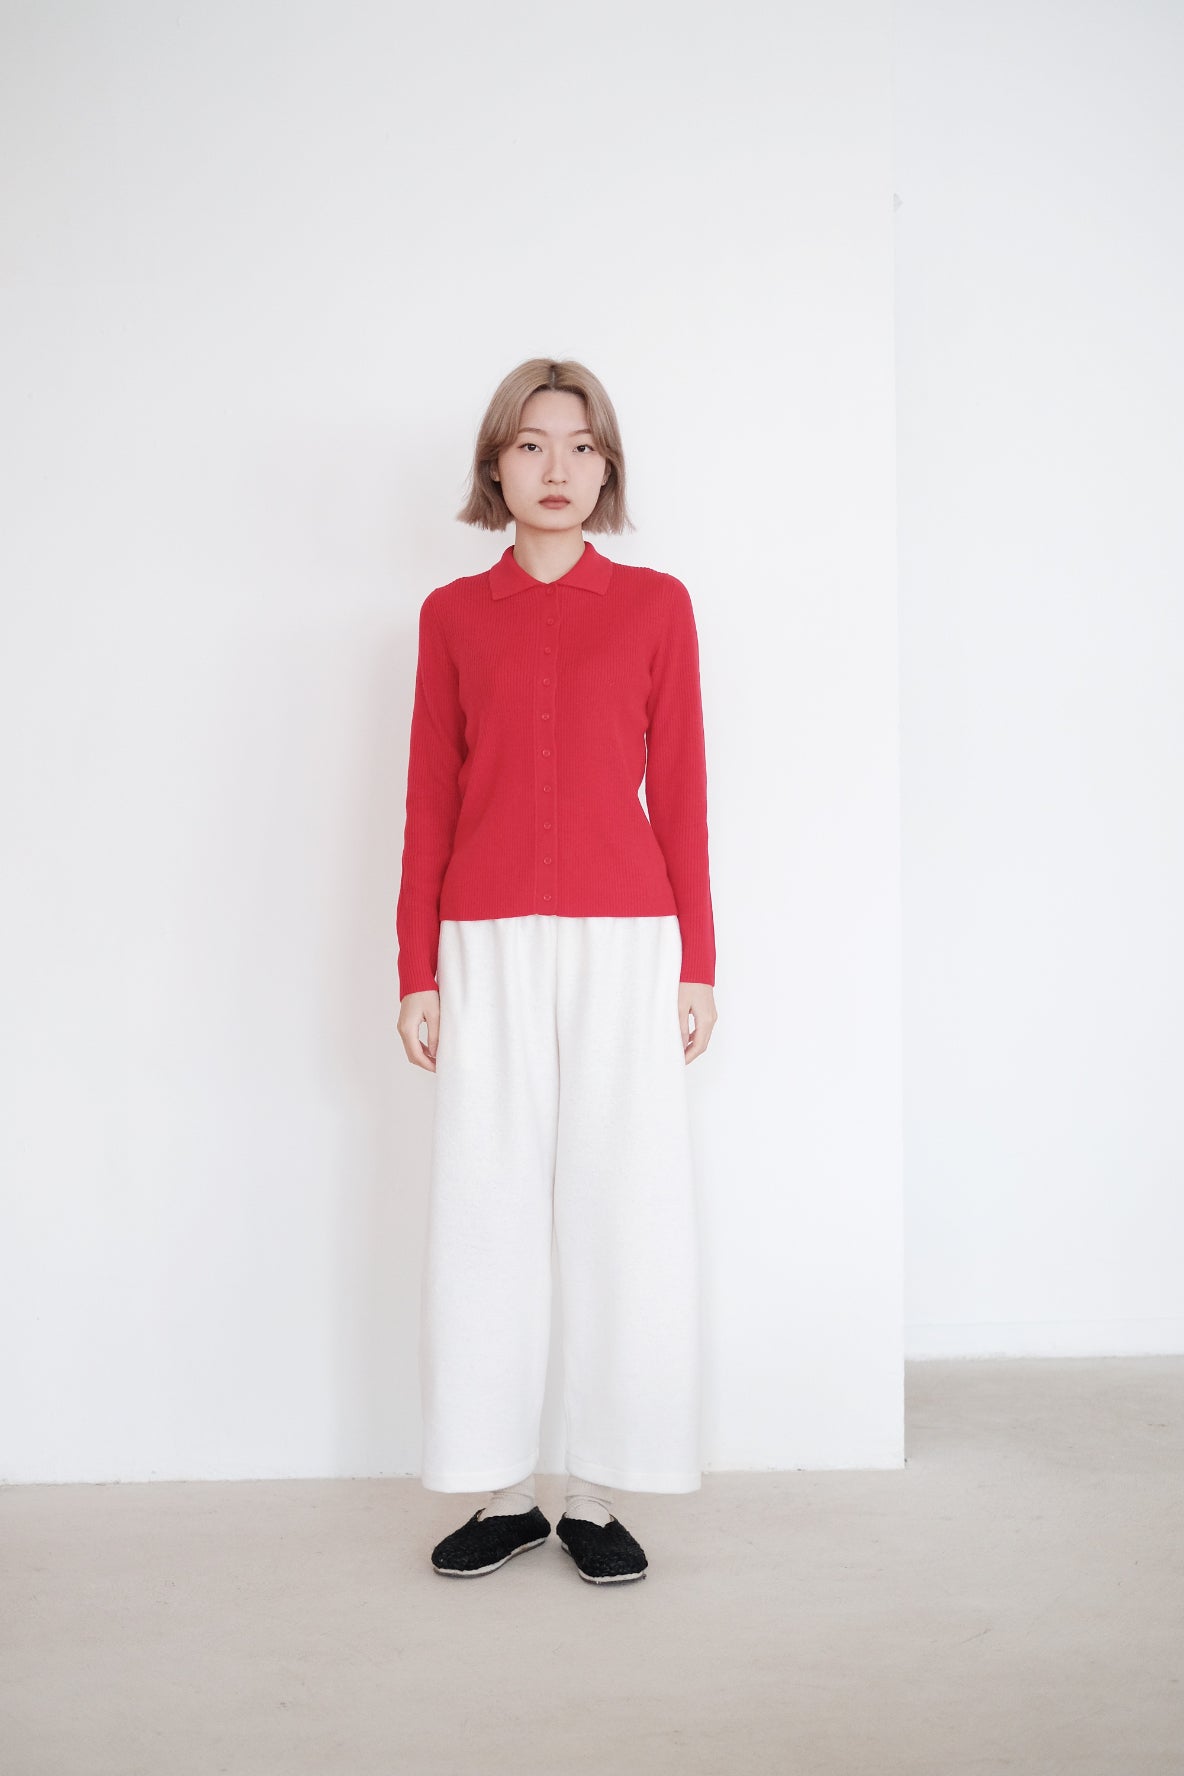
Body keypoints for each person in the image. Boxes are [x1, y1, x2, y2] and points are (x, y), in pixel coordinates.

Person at [395, 357, 718, 1585]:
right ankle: (498, 1488)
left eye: (581, 448)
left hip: (627, 940)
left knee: (622, 1202)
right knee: (484, 1209)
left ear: (606, 468)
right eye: (532, 445)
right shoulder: (450, 616)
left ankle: (591, 1488)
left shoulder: (655, 607)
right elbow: (428, 801)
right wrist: (415, 968)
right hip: (481, 941)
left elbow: (681, 793)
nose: (557, 469)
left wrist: (698, 958)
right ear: (496, 463)